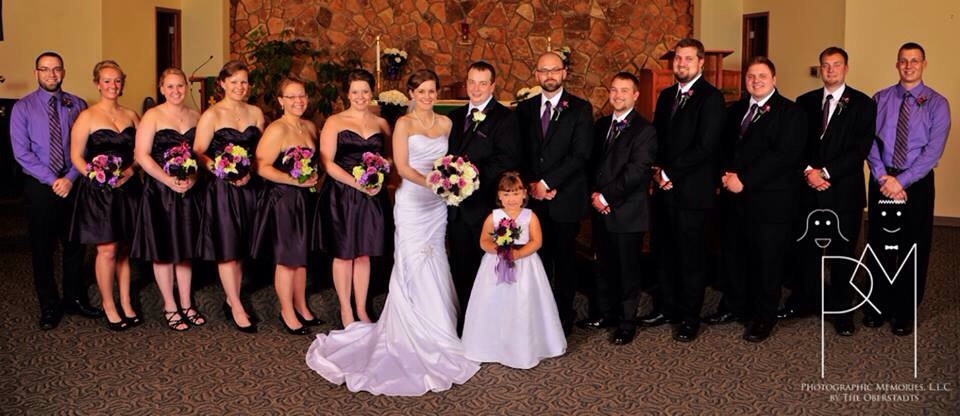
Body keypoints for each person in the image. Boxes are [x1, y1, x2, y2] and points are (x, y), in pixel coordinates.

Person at [306, 69, 479, 396]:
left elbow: (400, 161)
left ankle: (435, 323)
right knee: (389, 257)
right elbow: (399, 164)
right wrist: (430, 183)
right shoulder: (399, 123)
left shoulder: (444, 124)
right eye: (421, 91)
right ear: (411, 94)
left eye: (431, 91)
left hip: (435, 203)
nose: (426, 96)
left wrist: (453, 181)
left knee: (431, 256)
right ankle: (355, 312)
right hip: (406, 199)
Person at [779, 47, 875, 337]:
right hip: (808, 188)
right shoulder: (804, 102)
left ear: (846, 68)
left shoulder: (862, 103)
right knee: (805, 249)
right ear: (820, 69)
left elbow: (860, 149)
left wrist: (826, 173)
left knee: (841, 252)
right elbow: (795, 144)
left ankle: (841, 309)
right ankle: (803, 300)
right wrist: (809, 171)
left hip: (843, 190)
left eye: (836, 64)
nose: (831, 69)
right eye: (825, 65)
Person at [10, 51, 102, 330]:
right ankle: (49, 305)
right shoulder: (23, 108)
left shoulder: (77, 104)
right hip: (40, 186)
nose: (51, 74)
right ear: (36, 72)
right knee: (42, 247)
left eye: (56, 68)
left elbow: (85, 147)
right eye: (45, 69)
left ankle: (74, 298)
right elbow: (22, 153)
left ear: (63, 71)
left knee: (74, 245)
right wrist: (53, 180)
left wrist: (71, 178)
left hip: (73, 183)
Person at [718, 57, 806, 342]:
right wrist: (725, 175)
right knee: (738, 255)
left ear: (774, 79)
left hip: (771, 201)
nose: (756, 81)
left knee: (767, 261)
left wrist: (744, 179)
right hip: (735, 200)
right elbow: (724, 147)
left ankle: (764, 317)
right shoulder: (736, 110)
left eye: (762, 76)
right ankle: (738, 307)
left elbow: (783, 156)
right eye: (751, 76)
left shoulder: (790, 112)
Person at [865, 42, 950, 336]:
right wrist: (882, 177)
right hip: (882, 179)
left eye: (915, 60)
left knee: (912, 246)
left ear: (923, 64)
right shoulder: (880, 99)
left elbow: (933, 151)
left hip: (917, 182)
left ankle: (904, 310)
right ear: (897, 64)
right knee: (879, 243)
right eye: (904, 60)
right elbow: (869, 142)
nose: (909, 65)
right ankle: (877, 304)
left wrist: (901, 182)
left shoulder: (938, 104)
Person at [648, 38, 726, 342]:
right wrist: (657, 171)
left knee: (691, 258)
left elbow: (706, 146)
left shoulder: (711, 97)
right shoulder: (666, 95)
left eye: (688, 59)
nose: (681, 63)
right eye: (678, 58)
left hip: (692, 192)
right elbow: (657, 138)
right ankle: (667, 308)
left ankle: (690, 317)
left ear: (701, 62)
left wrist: (670, 172)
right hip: (664, 189)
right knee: (664, 252)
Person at [515, 51, 594, 335]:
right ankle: (538, 316)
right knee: (537, 259)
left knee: (564, 261)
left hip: (565, 198)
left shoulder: (580, 109)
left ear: (564, 73)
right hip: (533, 200)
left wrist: (547, 183)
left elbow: (581, 154)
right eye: (543, 70)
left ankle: (562, 317)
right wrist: (531, 184)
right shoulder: (524, 109)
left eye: (554, 70)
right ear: (536, 75)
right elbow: (519, 151)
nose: (549, 75)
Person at [582, 72, 657, 345]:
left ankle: (627, 323)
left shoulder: (645, 130)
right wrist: (594, 194)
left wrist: (606, 197)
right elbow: (592, 163)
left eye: (624, 90)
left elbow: (637, 172)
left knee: (627, 271)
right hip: (599, 208)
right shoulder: (602, 124)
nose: (618, 95)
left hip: (627, 211)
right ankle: (606, 314)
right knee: (604, 265)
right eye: (614, 90)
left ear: (635, 95)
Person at [462, 171, 566, 368]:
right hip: (496, 264)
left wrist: (518, 254)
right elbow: (484, 240)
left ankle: (527, 345)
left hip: (525, 265)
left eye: (516, 193)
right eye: (507, 194)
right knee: (494, 300)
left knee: (524, 301)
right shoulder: (493, 217)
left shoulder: (530, 217)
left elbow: (536, 241)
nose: (512, 199)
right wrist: (498, 251)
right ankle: (492, 346)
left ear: (524, 194)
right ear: (499, 196)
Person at [67, 60, 142, 331]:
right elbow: (76, 156)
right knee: (107, 249)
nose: (113, 85)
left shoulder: (132, 115)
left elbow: (140, 152)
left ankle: (126, 302)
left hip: (128, 189)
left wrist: (131, 171)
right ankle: (109, 304)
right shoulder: (87, 117)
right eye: (107, 80)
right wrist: (96, 175)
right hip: (100, 191)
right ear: (97, 84)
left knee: (124, 248)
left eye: (117, 80)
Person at [446, 61, 521, 331]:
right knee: (459, 267)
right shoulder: (454, 117)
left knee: (485, 270)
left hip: (483, 208)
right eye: (471, 82)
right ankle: (465, 323)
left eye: (482, 83)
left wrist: (469, 177)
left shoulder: (506, 118)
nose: (476, 89)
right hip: (456, 208)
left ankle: (487, 326)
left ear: (492, 86)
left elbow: (506, 159)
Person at [194, 60, 265, 330]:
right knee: (228, 246)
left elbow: (260, 152)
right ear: (222, 83)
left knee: (242, 245)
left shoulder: (256, 113)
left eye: (244, 82)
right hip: (222, 189)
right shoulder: (211, 115)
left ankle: (231, 297)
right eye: (234, 82)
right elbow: (199, 152)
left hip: (249, 186)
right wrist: (222, 171)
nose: (239, 87)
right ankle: (236, 305)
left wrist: (249, 171)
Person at [316, 69, 390, 327]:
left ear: (372, 92)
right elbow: (327, 162)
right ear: (347, 94)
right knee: (344, 253)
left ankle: (361, 308)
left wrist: (378, 177)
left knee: (364, 253)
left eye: (365, 91)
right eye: (355, 91)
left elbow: (389, 159)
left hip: (372, 195)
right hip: (342, 194)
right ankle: (346, 309)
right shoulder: (334, 122)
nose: (360, 96)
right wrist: (357, 183)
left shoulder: (381, 123)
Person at [132, 68, 203, 331]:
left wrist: (192, 179)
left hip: (188, 191)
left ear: (187, 87)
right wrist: (168, 180)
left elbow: (199, 155)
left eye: (180, 86)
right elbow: (141, 155)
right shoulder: (152, 116)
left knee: (185, 249)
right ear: (162, 89)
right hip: (160, 192)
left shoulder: (196, 116)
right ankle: (170, 306)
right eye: (170, 86)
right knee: (163, 250)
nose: (176, 91)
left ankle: (186, 303)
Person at [251, 76, 320, 335]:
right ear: (281, 101)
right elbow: (261, 167)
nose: (298, 101)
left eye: (302, 95)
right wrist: (293, 180)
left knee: (301, 257)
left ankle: (301, 305)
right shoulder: (277, 130)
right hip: (283, 199)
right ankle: (286, 311)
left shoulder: (309, 127)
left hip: (305, 198)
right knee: (287, 258)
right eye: (291, 97)